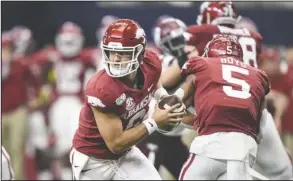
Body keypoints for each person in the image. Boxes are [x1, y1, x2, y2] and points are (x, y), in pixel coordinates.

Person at [159, 1, 293, 179]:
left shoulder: (202, 34)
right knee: (282, 171)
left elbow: (167, 82)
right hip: (254, 112)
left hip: (216, 111)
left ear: (206, 19)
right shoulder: (253, 37)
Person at [70, 19, 184, 180]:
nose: (116, 59)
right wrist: (154, 122)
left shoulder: (151, 63)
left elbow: (154, 81)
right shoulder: (102, 88)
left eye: (123, 53)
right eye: (111, 52)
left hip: (126, 153)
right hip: (94, 160)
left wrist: (163, 96)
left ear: (140, 54)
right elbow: (115, 144)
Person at [175, 34, 270, 180]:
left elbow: (173, 105)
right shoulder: (258, 75)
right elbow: (260, 124)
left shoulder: (201, 64)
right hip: (245, 148)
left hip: (211, 145)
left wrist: (197, 121)